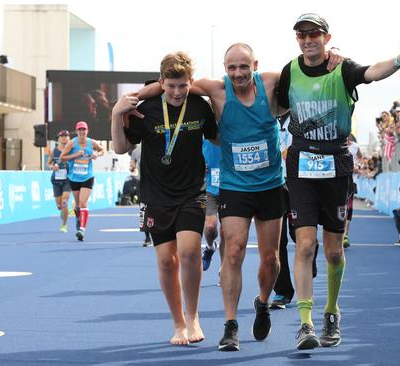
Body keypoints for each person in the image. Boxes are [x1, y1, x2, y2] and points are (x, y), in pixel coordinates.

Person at [136, 43, 343, 352]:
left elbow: (305, 69)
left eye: (243, 67)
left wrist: (333, 58)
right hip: (235, 186)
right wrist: (137, 97)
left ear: (254, 65)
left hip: (270, 184)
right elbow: (176, 84)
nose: (237, 73)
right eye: (231, 67)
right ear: (224, 67)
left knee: (271, 261)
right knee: (233, 251)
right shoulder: (217, 89)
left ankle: (262, 302)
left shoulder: (272, 82)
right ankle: (230, 325)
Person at [277, 13, 400, 349]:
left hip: (336, 166)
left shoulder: (341, 68)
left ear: (326, 38)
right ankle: (305, 323)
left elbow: (372, 72)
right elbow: (272, 101)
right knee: (304, 245)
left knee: (332, 252)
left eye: (313, 34)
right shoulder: (290, 70)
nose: (307, 40)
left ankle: (331, 310)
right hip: (301, 166)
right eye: (301, 35)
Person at [111, 51, 218, 345]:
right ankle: (178, 323)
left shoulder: (199, 106)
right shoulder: (145, 109)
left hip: (192, 192)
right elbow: (120, 148)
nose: (177, 92)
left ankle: (193, 315)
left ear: (190, 83)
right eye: (170, 86)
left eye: (182, 85)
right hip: (156, 194)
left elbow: (217, 136)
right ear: (161, 83)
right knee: (166, 261)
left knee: (189, 251)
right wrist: (115, 114)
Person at [271, 113, 319, 310]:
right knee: (277, 240)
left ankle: (309, 261)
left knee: (302, 237)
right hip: (272, 183)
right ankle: (282, 291)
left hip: (300, 182)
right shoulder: (263, 114)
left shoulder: (303, 117)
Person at [58, 121, 105, 241]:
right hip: (74, 177)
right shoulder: (72, 144)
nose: (82, 132)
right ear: (77, 131)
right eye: (80, 130)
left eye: (84, 130)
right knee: (77, 205)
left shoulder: (91, 142)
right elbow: (61, 158)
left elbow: (102, 150)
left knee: (83, 203)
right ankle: (79, 220)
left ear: (87, 131)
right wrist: (75, 155)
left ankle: (82, 230)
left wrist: (96, 154)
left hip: (87, 177)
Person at [201, 139, 223, 277]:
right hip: (209, 187)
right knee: (210, 227)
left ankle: (225, 268)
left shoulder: (233, 123)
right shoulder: (203, 124)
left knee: (227, 232)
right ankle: (210, 247)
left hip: (231, 184)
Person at [47, 130, 72, 233]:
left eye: (66, 136)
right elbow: (48, 163)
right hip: (56, 181)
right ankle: (63, 211)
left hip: (67, 180)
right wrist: (53, 167)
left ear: (69, 138)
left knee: (65, 202)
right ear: (58, 138)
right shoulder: (54, 151)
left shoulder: (72, 150)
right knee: (59, 206)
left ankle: (64, 225)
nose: (64, 138)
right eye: (62, 136)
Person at [342, 133, 362, 248]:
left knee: (349, 208)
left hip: (352, 181)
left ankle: (345, 235)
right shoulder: (337, 145)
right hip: (338, 180)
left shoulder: (355, 146)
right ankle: (338, 234)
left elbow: (360, 157)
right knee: (339, 208)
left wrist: (358, 166)